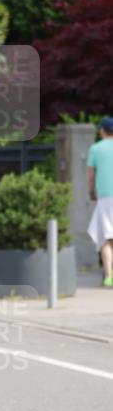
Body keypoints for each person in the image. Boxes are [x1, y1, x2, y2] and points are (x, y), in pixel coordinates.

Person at [87, 116, 113, 287]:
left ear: (102, 131)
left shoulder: (95, 149)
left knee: (106, 238)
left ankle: (109, 276)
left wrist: (91, 192)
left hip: (105, 197)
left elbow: (91, 176)